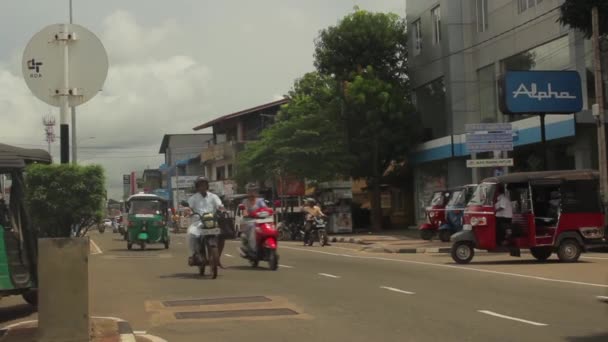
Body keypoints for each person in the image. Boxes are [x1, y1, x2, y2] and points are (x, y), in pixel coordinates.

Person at [185, 176, 226, 267]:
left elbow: (220, 205)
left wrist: (222, 209)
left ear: (207, 186)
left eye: (204, 185)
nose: (202, 187)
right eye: (200, 185)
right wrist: (188, 211)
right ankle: (193, 254)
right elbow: (189, 207)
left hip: (212, 221)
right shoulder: (193, 198)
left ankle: (217, 258)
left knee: (222, 235)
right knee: (191, 234)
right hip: (198, 222)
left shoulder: (213, 196)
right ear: (197, 187)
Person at [239, 183, 267, 256]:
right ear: (247, 192)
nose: (252, 193)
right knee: (253, 227)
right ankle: (253, 249)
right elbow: (244, 211)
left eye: (254, 191)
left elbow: (265, 208)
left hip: (260, 220)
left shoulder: (260, 200)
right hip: (248, 221)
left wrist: (270, 211)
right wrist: (246, 213)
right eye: (250, 191)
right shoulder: (245, 201)